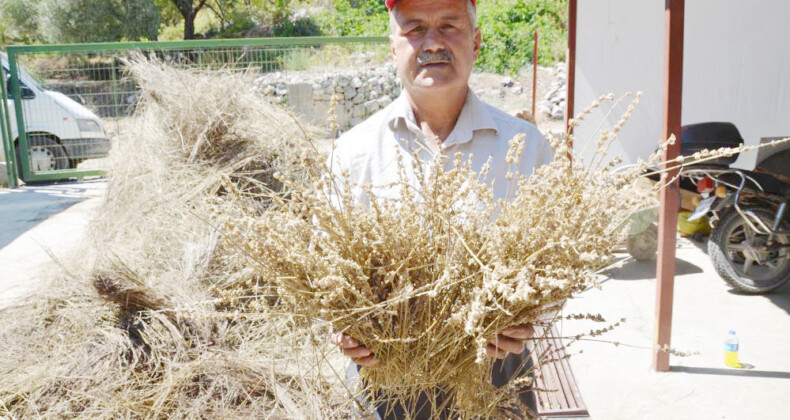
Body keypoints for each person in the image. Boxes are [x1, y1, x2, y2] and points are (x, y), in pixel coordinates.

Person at [327, 0, 554, 418]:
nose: (433, 43)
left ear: (476, 41)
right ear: (392, 45)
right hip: (384, 383)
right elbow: (327, 275)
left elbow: (557, 265)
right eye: (415, 29)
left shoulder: (526, 147)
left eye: (449, 26)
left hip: (498, 378)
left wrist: (530, 315)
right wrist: (340, 326)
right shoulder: (352, 153)